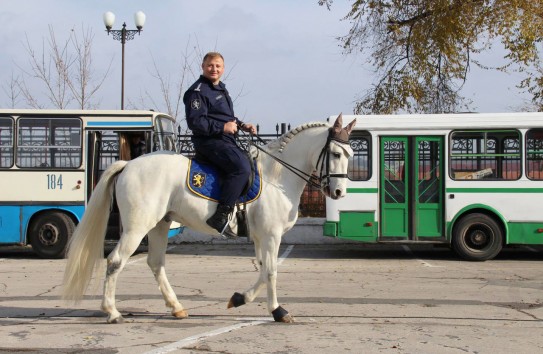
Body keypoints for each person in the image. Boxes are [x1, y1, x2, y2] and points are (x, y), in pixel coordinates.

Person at [183, 52, 257, 233]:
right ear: (203, 66)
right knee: (241, 168)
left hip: (225, 140)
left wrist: (241, 125)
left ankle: (241, 214)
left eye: (218, 66)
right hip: (209, 142)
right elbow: (196, 122)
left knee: (250, 163)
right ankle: (221, 215)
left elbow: (226, 116)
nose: (214, 69)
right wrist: (223, 127)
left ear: (223, 69)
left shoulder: (220, 88)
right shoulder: (197, 92)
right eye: (210, 65)